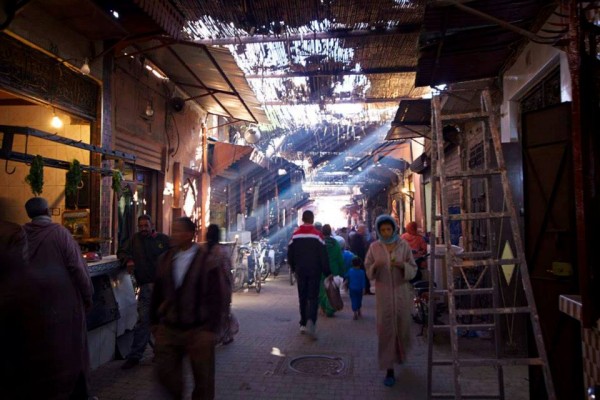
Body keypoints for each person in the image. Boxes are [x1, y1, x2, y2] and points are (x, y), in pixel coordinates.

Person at [22, 197, 94, 399]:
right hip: (64, 304)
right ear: (47, 210)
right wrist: (87, 296)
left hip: (34, 304)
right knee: (70, 349)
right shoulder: (60, 233)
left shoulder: (22, 235)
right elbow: (77, 269)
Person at [151, 217, 229, 400]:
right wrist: (154, 323)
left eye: (178, 231)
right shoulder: (165, 260)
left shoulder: (206, 261)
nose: (174, 235)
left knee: (204, 382)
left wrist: (212, 329)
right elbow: (158, 292)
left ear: (189, 234)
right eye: (174, 230)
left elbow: (217, 297)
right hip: (170, 328)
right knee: (166, 375)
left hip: (199, 329)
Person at [365, 214, 418, 387]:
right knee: (386, 330)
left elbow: (413, 267)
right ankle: (389, 369)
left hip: (402, 293)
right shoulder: (374, 247)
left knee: (402, 328)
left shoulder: (403, 245)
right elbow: (368, 269)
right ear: (378, 231)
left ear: (394, 229)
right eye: (383, 230)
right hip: (384, 295)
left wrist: (402, 266)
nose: (386, 233)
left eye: (389, 229)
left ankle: (401, 355)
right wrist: (376, 266)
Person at [118, 214, 170, 369]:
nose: (143, 229)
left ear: (152, 225)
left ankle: (161, 353)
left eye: (145, 226)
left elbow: (176, 254)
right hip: (146, 288)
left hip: (163, 287)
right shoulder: (135, 240)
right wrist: (128, 259)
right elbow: (121, 251)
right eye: (140, 226)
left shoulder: (163, 240)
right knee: (144, 321)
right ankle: (135, 356)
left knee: (161, 321)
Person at [287, 210, 331, 340]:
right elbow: (324, 256)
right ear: (312, 220)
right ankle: (312, 321)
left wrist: (294, 268)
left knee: (302, 296)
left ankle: (303, 323)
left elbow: (290, 254)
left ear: (303, 219)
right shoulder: (318, 236)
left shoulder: (295, 236)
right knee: (313, 297)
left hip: (301, 271)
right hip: (314, 271)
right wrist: (327, 272)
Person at [205, 224, 236, 346]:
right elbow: (228, 270)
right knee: (223, 311)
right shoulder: (222, 251)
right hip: (221, 286)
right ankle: (225, 336)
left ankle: (213, 335)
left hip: (207, 287)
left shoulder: (203, 249)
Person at [319, 224, 344, 317]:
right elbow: (339, 258)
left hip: (321, 271)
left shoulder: (320, 242)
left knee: (322, 290)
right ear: (330, 232)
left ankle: (323, 308)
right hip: (334, 270)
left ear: (322, 231)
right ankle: (330, 309)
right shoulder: (335, 243)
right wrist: (342, 271)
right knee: (332, 289)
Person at [348, 223, 373, 294]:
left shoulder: (359, 237)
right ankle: (365, 289)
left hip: (361, 258)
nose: (365, 230)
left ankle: (366, 289)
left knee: (363, 274)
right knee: (363, 274)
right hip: (360, 258)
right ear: (360, 229)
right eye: (364, 229)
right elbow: (357, 249)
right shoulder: (357, 237)